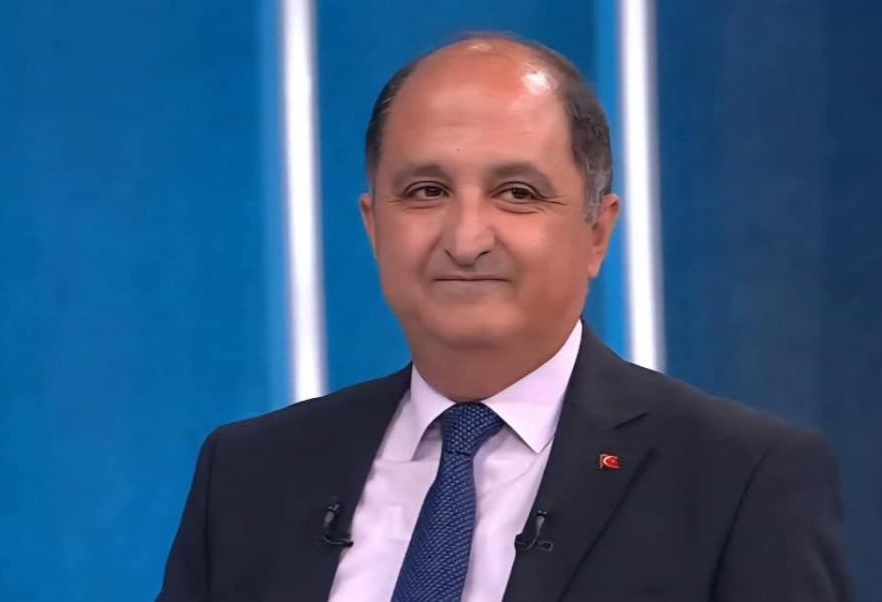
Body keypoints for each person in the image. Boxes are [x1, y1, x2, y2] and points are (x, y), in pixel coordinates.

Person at [157, 34, 850, 602]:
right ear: (373, 226)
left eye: (517, 193)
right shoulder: (250, 475)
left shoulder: (741, 479)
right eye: (426, 191)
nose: (466, 239)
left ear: (598, 232)